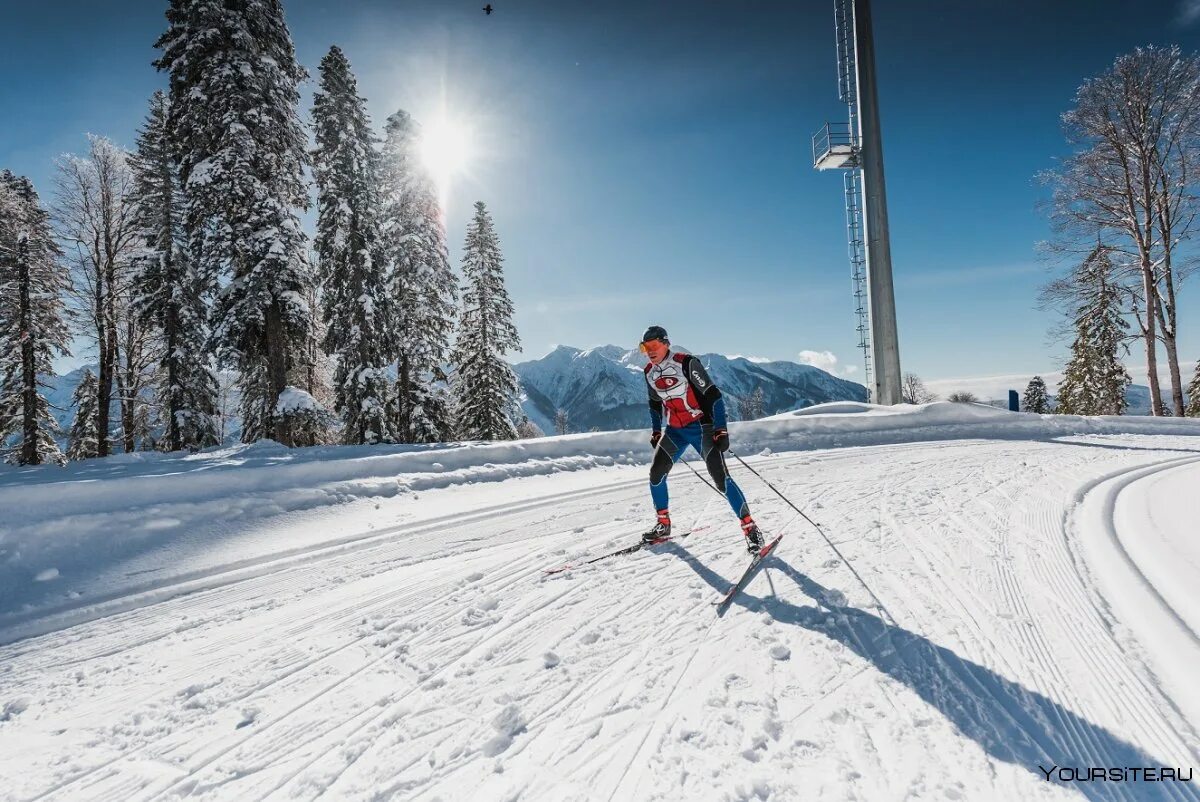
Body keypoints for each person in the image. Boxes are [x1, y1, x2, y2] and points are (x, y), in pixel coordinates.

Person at [639, 325, 765, 553]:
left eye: (654, 345)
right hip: (675, 431)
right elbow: (655, 404)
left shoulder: (686, 363)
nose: (649, 351)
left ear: (666, 343)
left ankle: (750, 528)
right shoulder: (648, 372)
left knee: (721, 479)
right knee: (656, 474)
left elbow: (714, 396)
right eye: (644, 347)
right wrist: (657, 430)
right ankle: (663, 524)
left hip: (701, 428)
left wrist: (721, 430)